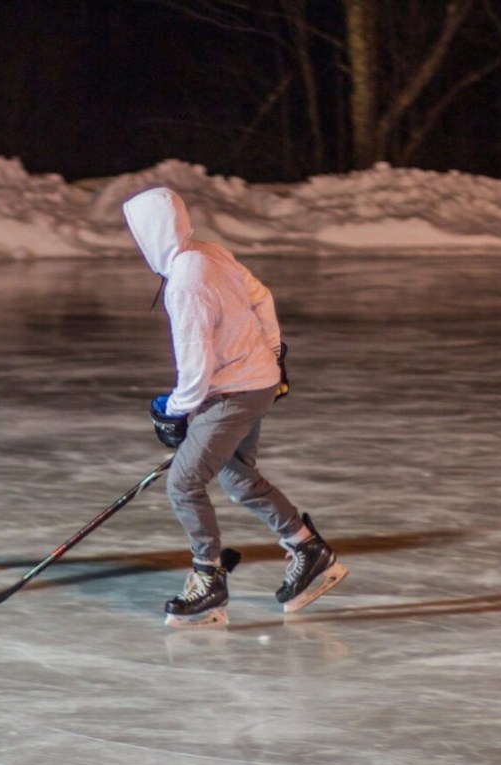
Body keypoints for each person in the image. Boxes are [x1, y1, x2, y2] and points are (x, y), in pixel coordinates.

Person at [122, 187, 346, 627]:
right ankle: (308, 549)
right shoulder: (209, 252)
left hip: (232, 392)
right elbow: (262, 296)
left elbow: (195, 364)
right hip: (256, 383)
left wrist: (174, 411)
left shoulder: (185, 282)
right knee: (236, 473)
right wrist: (273, 354)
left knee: (184, 484)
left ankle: (208, 582)